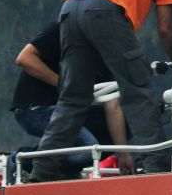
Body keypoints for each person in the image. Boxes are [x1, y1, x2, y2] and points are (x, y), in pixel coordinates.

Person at [32, 0, 172, 181]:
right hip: (103, 9)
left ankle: (40, 173)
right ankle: (159, 170)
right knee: (137, 90)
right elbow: (165, 28)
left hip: (70, 6)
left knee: (72, 99)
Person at [10, 21, 134, 176]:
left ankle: (65, 171)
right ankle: (21, 160)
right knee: (88, 150)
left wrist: (123, 153)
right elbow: (24, 58)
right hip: (35, 108)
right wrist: (64, 86)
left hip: (73, 111)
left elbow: (112, 104)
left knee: (129, 119)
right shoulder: (65, 29)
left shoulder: (107, 53)